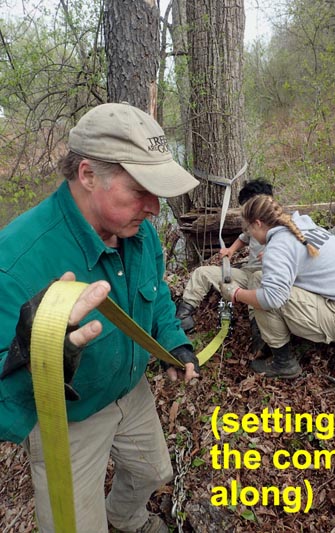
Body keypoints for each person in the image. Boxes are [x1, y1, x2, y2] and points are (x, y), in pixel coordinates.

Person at [0, 102, 201, 533]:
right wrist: (32, 352)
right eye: (140, 190)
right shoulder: (16, 260)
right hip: (68, 420)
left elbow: (157, 293)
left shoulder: (140, 232)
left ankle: (126, 519)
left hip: (131, 391)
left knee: (153, 473)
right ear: (88, 175)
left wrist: (172, 343)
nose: (154, 208)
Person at [220, 195, 335, 379]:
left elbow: (271, 299)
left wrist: (236, 293)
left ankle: (283, 362)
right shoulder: (302, 225)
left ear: (257, 223)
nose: (251, 236)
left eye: (249, 230)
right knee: (259, 277)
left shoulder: (279, 247)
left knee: (263, 292)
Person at [176, 178, 273, 353]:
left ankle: (259, 337)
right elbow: (244, 237)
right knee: (203, 273)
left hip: (268, 278)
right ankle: (183, 317)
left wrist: (276, 252)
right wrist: (231, 250)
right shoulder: (253, 224)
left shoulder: (283, 225)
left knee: (257, 281)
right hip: (247, 273)